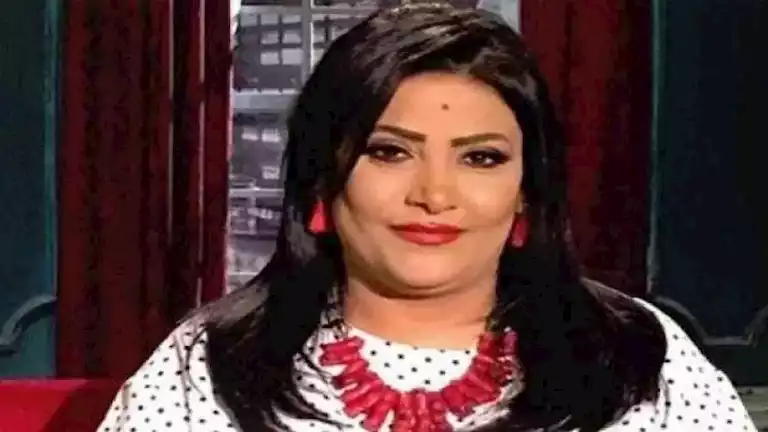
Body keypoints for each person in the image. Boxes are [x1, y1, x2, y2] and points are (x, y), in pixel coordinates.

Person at [97, 3, 757, 431]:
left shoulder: (638, 354)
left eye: (481, 158)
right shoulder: (212, 363)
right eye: (389, 152)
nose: (435, 195)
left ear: (526, 190)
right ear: (324, 175)